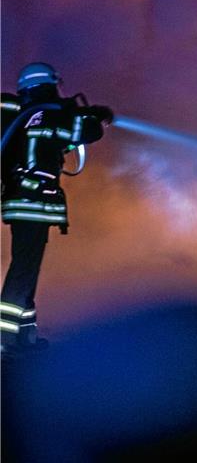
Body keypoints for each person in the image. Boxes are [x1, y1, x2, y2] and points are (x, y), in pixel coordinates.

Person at [1, 62, 113, 353]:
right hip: (32, 203)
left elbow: (52, 146)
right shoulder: (46, 115)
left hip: (23, 203)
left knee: (27, 270)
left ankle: (23, 338)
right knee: (23, 271)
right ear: (49, 85)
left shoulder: (27, 117)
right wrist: (95, 115)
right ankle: (4, 339)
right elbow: (84, 131)